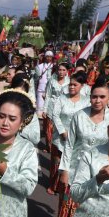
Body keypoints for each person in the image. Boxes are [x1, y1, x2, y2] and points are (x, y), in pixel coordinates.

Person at [54, 75, 109, 217]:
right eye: (94, 96)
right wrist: (64, 170)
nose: (97, 100)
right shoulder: (79, 116)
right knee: (69, 206)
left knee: (90, 208)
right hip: (75, 168)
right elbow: (69, 145)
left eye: (102, 97)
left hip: (99, 171)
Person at [0, 90, 40, 217]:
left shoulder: (27, 149)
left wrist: (5, 172)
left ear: (22, 122)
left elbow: (29, 186)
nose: (5, 123)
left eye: (12, 119)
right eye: (1, 116)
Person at [50, 71, 90, 198]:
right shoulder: (62, 98)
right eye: (70, 84)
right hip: (60, 138)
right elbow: (55, 115)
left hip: (78, 140)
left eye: (75, 85)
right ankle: (54, 186)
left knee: (72, 166)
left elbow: (88, 119)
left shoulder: (86, 102)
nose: (72, 87)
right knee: (57, 164)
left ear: (82, 86)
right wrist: (62, 131)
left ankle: (68, 190)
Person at [43, 62, 71, 193]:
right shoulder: (52, 81)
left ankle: (61, 184)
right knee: (55, 156)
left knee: (67, 159)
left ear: (67, 72)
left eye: (63, 70)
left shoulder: (70, 83)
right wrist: (44, 109)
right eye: (59, 69)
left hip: (66, 118)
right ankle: (52, 184)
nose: (61, 72)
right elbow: (47, 95)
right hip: (51, 109)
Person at [9, 73, 41, 147]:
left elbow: (36, 138)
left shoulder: (30, 113)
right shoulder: (4, 108)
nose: (18, 96)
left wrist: (19, 128)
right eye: (16, 92)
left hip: (25, 150)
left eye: (22, 93)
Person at [34, 50, 54, 115]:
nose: (48, 58)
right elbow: (36, 78)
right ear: (45, 57)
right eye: (47, 56)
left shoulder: (54, 66)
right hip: (41, 87)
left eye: (50, 57)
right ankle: (39, 115)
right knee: (40, 102)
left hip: (50, 87)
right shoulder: (40, 66)